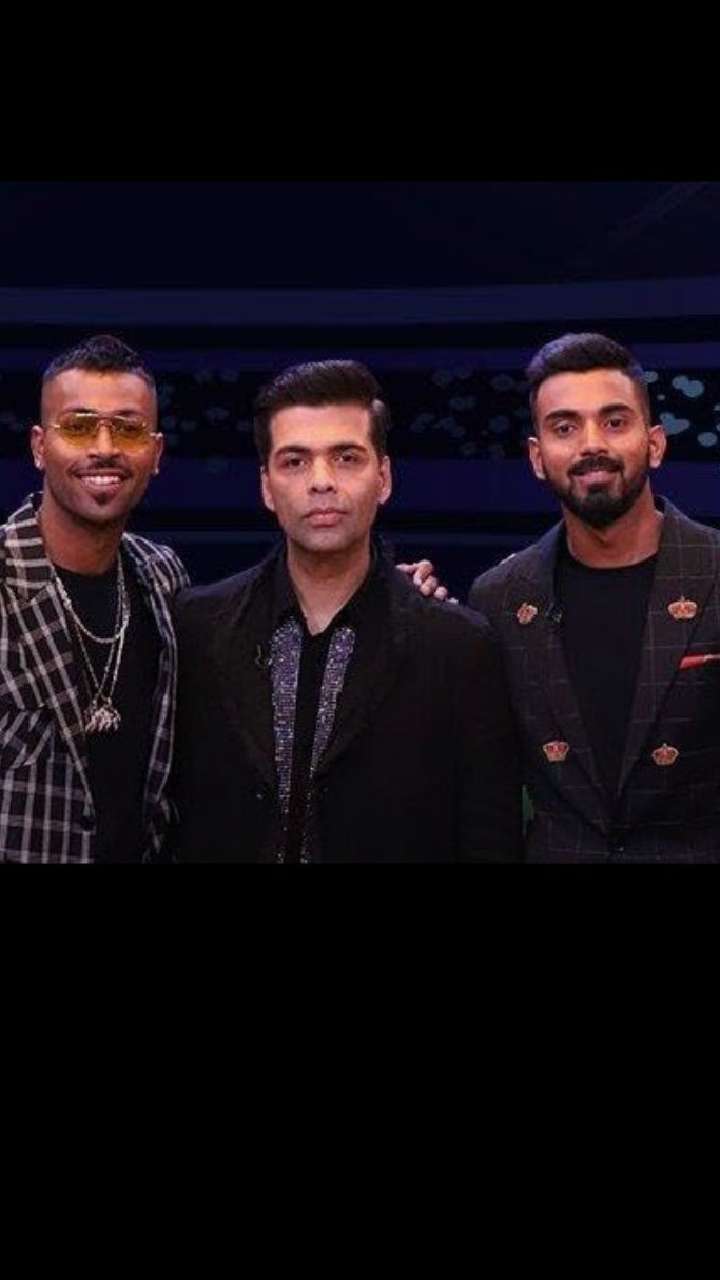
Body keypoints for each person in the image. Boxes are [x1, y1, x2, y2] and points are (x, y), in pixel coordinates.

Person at [171, 359, 522, 862]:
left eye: (346, 458)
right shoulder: (198, 628)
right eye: (295, 462)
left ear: (383, 477)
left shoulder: (458, 646)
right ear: (266, 486)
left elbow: (490, 837)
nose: (321, 481)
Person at [469, 331, 720, 862]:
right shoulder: (498, 599)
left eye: (614, 422)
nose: (591, 445)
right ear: (537, 457)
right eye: (565, 428)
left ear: (655, 443)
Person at [0, 334, 189, 863]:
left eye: (127, 429)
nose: (104, 447)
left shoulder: (164, 577)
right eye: (79, 426)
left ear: (155, 453)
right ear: (40, 447)